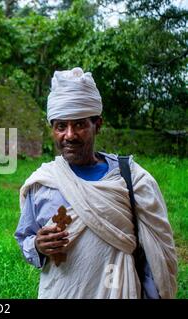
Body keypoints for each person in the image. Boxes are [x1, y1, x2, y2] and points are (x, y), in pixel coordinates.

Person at [14, 67, 177, 299]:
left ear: (97, 125)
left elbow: (158, 255)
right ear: (53, 130)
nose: (69, 135)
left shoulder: (132, 180)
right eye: (61, 126)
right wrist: (38, 246)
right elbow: (25, 239)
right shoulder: (42, 184)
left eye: (79, 124)